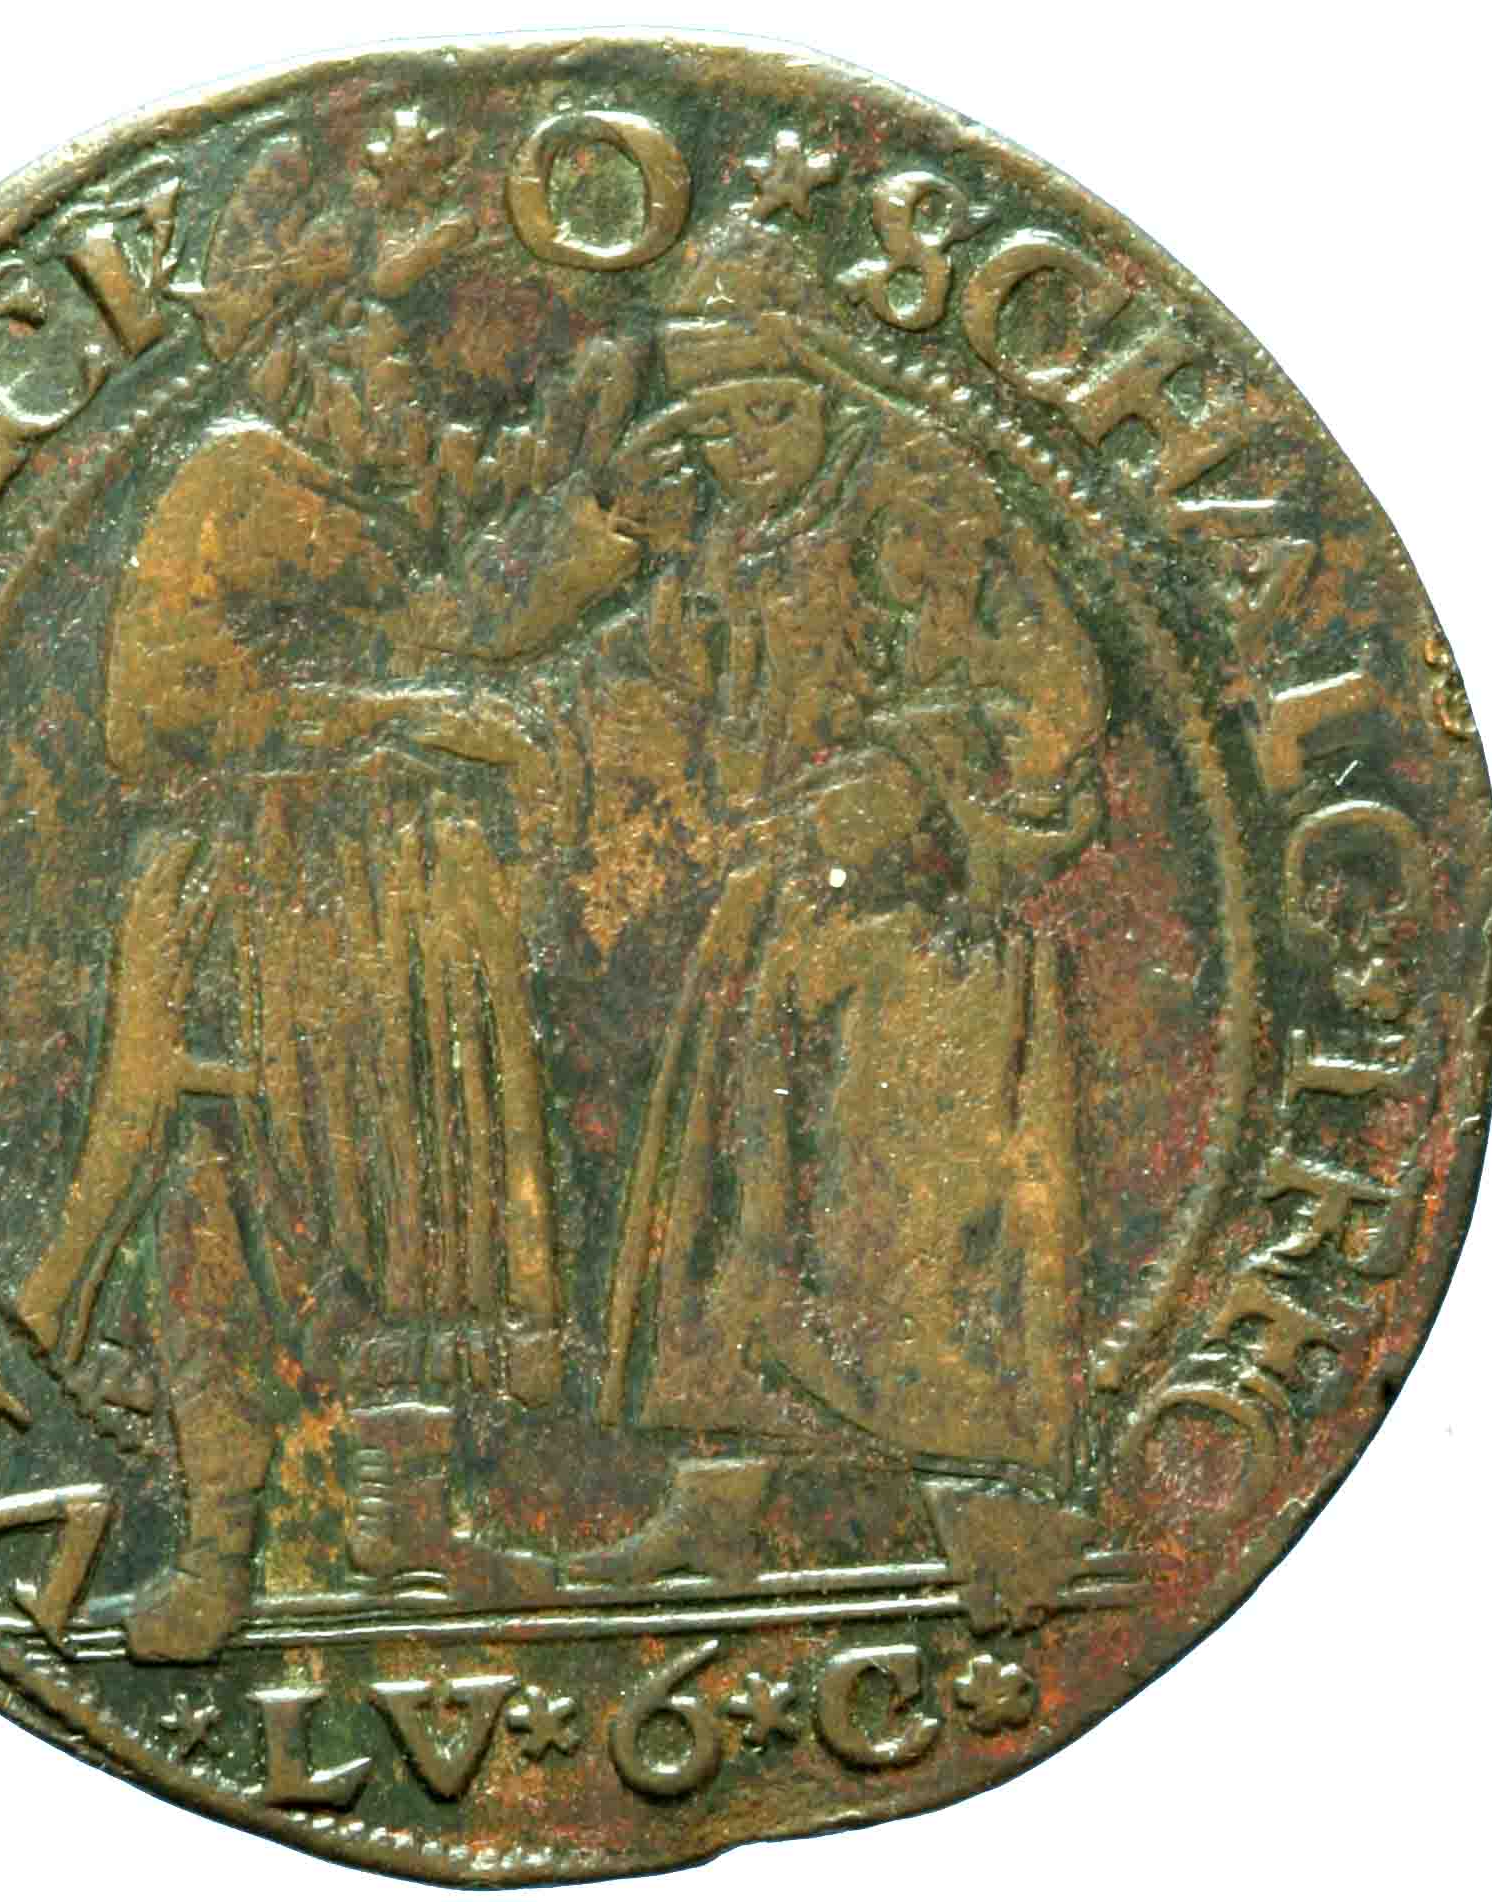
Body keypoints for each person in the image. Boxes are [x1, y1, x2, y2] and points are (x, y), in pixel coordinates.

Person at [13, 133, 646, 1659]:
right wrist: (407, 717)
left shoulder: (370, 486)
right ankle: (222, 1543)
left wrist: (589, 499)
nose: (413, 371)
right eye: (380, 335)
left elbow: (464, 608)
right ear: (309, 352)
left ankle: (400, 1517)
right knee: (227, 1208)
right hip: (269, 898)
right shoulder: (240, 483)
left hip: (395, 902)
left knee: (420, 1211)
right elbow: (160, 714)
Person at [583, 206, 1108, 1627]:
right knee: (734, 1218)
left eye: (765, 410)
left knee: (912, 1235)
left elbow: (1050, 693)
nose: (742, 445)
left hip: (919, 941)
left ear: (824, 383)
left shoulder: (918, 495)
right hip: (774, 916)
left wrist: (913, 781)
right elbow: (670, 686)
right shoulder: (733, 532)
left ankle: (997, 1535)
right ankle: (715, 1514)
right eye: (714, 423)